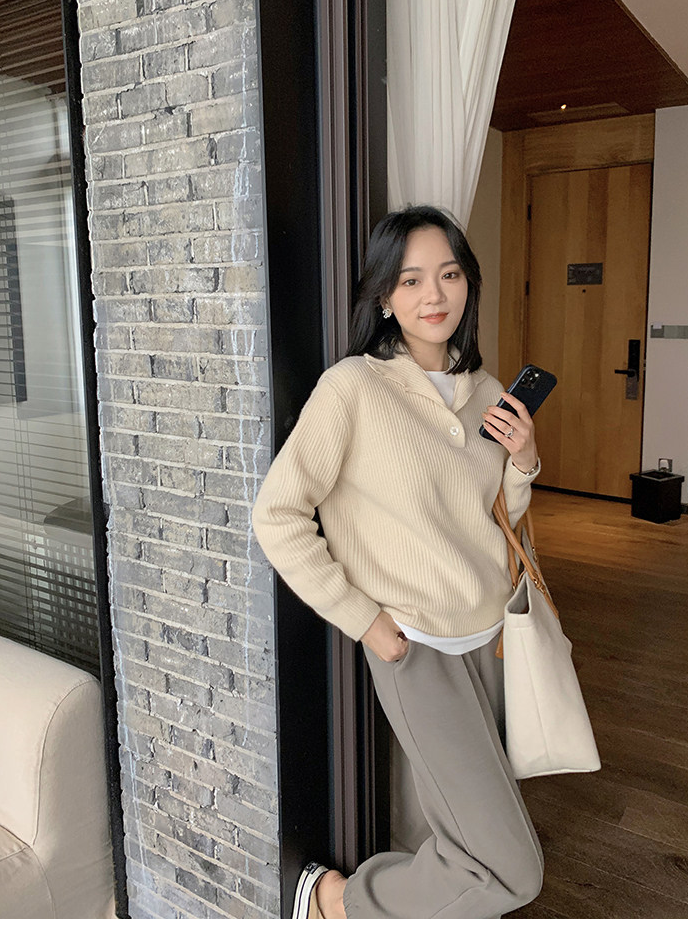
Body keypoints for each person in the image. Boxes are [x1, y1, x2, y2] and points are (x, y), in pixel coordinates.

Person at [251, 204, 545, 919]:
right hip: (417, 648)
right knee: (514, 870)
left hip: (491, 639)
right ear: (384, 295)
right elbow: (277, 514)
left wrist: (524, 460)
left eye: (449, 274)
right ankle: (337, 903)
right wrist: (364, 620)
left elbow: (494, 517)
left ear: (469, 283)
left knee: (455, 835)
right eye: (411, 280)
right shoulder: (353, 387)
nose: (433, 295)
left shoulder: (486, 391)